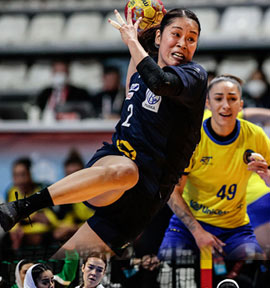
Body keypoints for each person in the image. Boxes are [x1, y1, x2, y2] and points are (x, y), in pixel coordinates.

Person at [0, 8, 208, 258]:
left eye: (191, 38)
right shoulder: (141, 73)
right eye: (176, 34)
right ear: (159, 37)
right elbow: (142, 73)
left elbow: (160, 82)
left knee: (57, 277)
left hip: (145, 199)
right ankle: (23, 206)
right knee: (127, 171)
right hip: (114, 168)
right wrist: (139, 33)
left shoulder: (194, 76)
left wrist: (133, 39)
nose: (183, 43)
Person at [159, 75, 270, 262]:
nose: (226, 105)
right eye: (218, 99)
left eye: (232, 99)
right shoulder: (191, 138)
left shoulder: (255, 135)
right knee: (170, 263)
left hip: (235, 227)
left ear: (241, 105)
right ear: (208, 104)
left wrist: (266, 176)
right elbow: (172, 192)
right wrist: (198, 232)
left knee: (254, 264)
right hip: (188, 225)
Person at [4, 157, 58, 256]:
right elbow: (10, 220)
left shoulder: (42, 190)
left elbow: (49, 221)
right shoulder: (11, 191)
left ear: (31, 174)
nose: (19, 180)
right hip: (20, 236)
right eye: (15, 176)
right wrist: (31, 219)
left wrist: (22, 221)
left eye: (23, 175)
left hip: (43, 236)